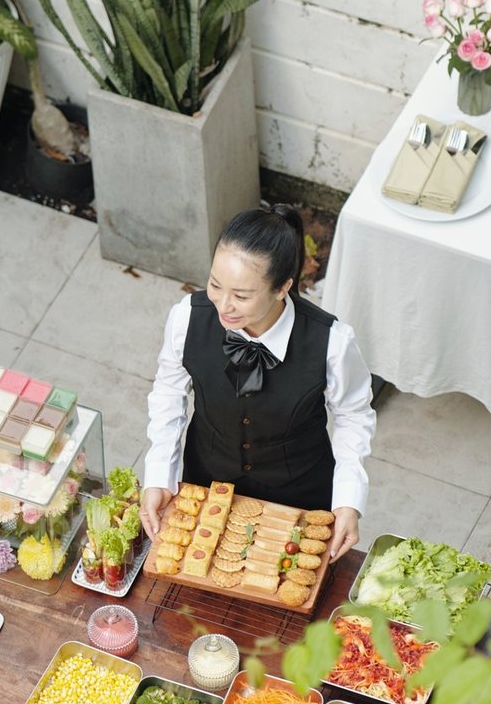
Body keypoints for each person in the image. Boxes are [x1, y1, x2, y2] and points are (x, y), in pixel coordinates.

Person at [141, 204, 376, 560]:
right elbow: (169, 392)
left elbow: (353, 416)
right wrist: (159, 473)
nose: (223, 305)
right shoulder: (187, 318)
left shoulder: (333, 343)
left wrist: (349, 500)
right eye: (215, 285)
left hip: (299, 495)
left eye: (242, 295)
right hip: (207, 479)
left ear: (283, 287)